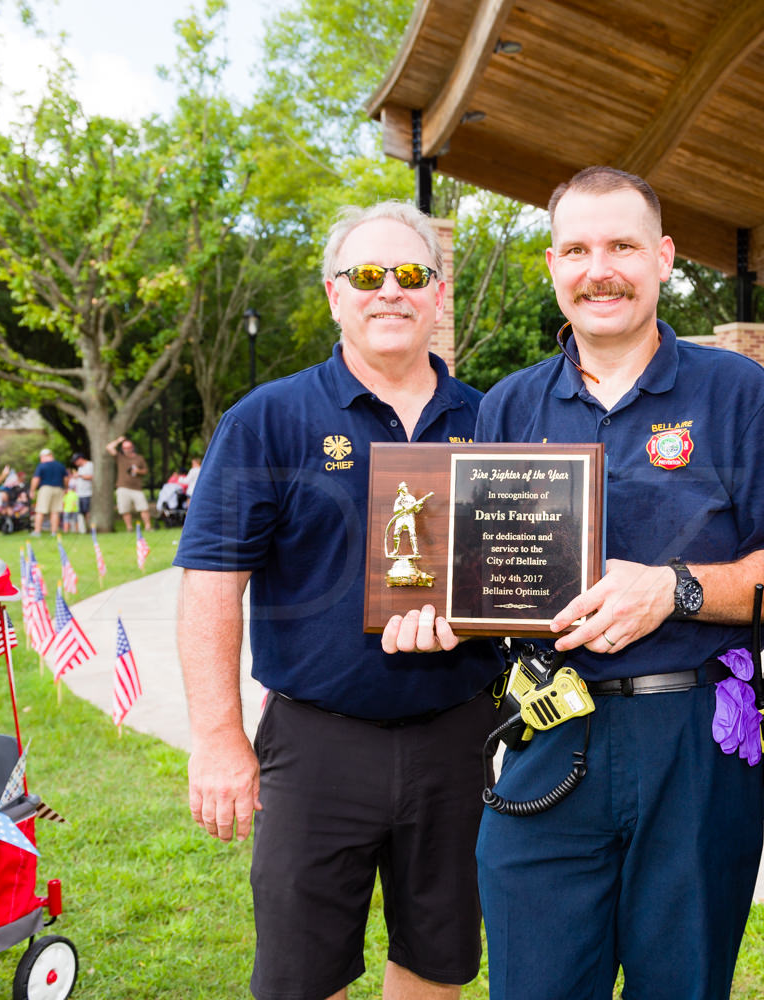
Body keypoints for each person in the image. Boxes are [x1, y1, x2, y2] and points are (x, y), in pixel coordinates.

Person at [384, 166, 764, 1000]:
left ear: (664, 258)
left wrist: (670, 590)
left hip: (693, 742)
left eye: (621, 246)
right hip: (548, 730)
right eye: (576, 248)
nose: (598, 268)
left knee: (680, 984)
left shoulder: (739, 392)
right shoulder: (508, 407)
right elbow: (483, 577)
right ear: (552, 265)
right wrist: (435, 616)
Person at [175, 201, 504, 1000]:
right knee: (299, 973)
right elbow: (211, 583)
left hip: (457, 739)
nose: (387, 291)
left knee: (438, 956)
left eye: (409, 275)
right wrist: (219, 738)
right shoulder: (269, 420)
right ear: (333, 294)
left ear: (437, 292)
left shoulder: (495, 419)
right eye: (366, 275)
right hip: (317, 743)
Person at [106, 435, 153, 532]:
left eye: (128, 447)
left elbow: (145, 471)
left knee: (143, 507)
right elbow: (109, 447)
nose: (127, 450)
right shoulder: (120, 457)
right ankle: (129, 528)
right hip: (123, 487)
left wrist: (138, 471)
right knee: (125, 509)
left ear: (132, 447)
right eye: (124, 448)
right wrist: (118, 440)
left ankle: (148, 527)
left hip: (137, 488)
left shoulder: (139, 458)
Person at [30, 447, 67, 537]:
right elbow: (66, 478)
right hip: (58, 488)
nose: (41, 459)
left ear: (46, 456)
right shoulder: (60, 465)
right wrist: (65, 488)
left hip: (46, 488)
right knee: (55, 511)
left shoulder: (42, 465)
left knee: (40, 510)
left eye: (41, 457)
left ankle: (37, 531)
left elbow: (36, 479)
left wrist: (32, 490)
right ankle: (54, 532)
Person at [70, 453, 94, 533]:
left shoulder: (90, 465)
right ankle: (83, 529)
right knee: (81, 512)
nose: (75, 463)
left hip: (87, 493)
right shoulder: (80, 468)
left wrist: (79, 475)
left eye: (75, 461)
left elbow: (92, 476)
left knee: (87, 512)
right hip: (80, 493)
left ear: (80, 459)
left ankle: (90, 528)